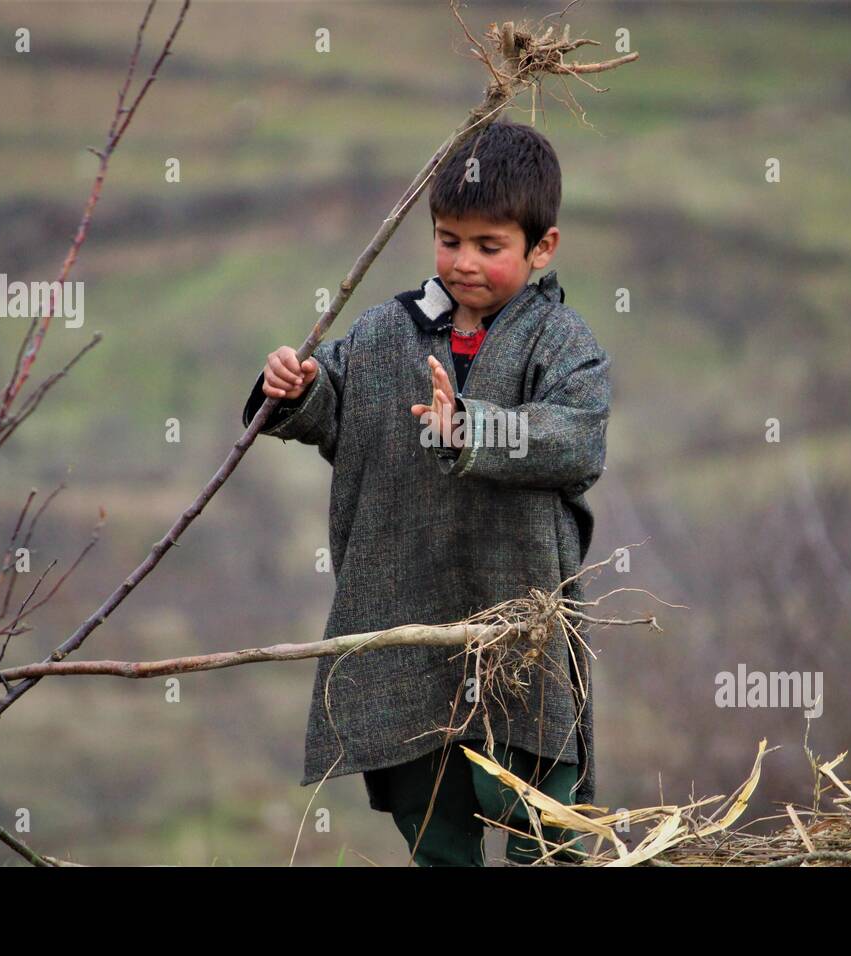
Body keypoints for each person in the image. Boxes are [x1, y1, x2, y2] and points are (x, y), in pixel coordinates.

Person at [241, 118, 611, 865]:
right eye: (448, 240)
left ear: (543, 248)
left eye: (489, 246)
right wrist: (296, 389)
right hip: (401, 618)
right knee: (433, 826)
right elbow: (332, 412)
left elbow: (576, 439)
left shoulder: (564, 344)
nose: (463, 262)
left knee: (541, 817)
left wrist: (470, 428)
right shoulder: (383, 334)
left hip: (519, 626)